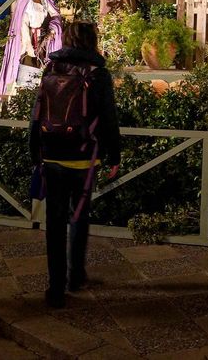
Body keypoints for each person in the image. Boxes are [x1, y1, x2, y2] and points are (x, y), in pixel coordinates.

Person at [29, 19, 122, 308]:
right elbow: (108, 117)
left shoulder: (51, 68)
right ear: (92, 41)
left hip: (52, 154)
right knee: (79, 215)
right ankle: (76, 276)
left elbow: (37, 113)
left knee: (54, 221)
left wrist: (35, 151)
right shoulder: (97, 73)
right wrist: (114, 155)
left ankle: (55, 287)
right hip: (83, 155)